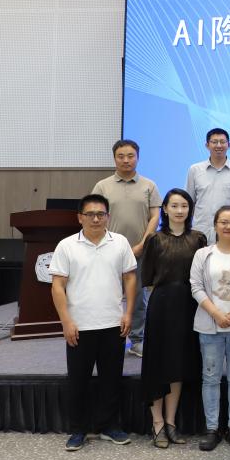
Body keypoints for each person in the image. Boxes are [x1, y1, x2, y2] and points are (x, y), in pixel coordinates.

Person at [49, 193, 137, 451]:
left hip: (113, 323)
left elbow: (130, 278)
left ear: (108, 216)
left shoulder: (120, 242)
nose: (96, 219)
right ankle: (78, 430)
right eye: (90, 214)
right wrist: (66, 321)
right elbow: (57, 286)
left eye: (101, 214)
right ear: (80, 217)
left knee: (111, 379)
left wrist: (129, 313)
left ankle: (110, 427)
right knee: (79, 380)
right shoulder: (66, 246)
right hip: (79, 325)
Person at [139, 188, 207, 448]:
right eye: (174, 206)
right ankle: (157, 423)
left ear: (190, 210)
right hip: (162, 307)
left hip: (189, 307)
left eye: (184, 206)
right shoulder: (154, 240)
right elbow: (148, 278)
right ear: (165, 209)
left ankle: (171, 422)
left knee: (179, 364)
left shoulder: (199, 239)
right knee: (158, 364)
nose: (180, 210)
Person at [189, 205, 230, 451]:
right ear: (215, 225)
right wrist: (216, 313)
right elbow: (196, 286)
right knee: (211, 378)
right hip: (210, 325)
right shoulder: (203, 254)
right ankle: (212, 428)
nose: (228, 226)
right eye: (223, 222)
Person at [92, 139, 160, 358]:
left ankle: (137, 340)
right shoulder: (102, 186)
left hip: (140, 252)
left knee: (138, 298)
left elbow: (155, 216)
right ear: (114, 158)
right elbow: (94, 216)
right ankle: (108, 339)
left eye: (130, 156)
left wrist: (142, 244)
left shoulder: (149, 185)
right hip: (107, 251)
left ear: (137, 158)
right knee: (106, 297)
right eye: (121, 156)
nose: (126, 160)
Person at [185, 128, 230, 243]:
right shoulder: (194, 170)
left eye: (222, 142)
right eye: (214, 142)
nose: (219, 145)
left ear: (229, 145)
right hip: (199, 232)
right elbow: (189, 203)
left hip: (229, 231)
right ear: (207, 145)